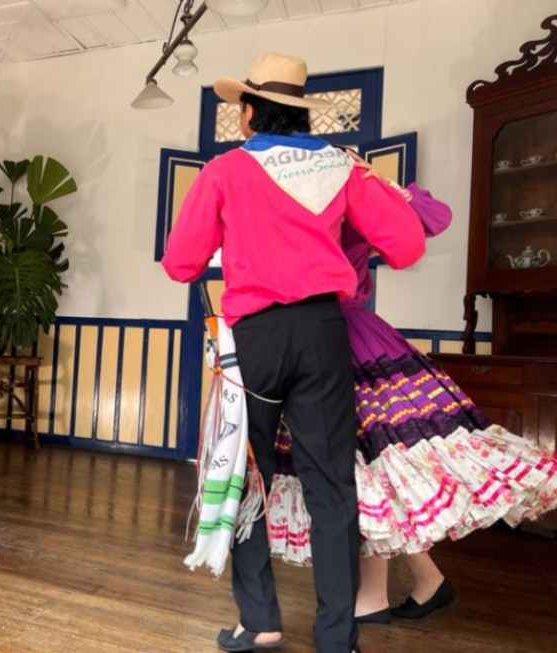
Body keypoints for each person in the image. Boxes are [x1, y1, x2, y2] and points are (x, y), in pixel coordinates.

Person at [162, 52, 426, 653]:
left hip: (255, 339)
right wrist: (370, 182)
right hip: (323, 331)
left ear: (251, 112)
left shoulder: (225, 169)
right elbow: (407, 246)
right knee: (331, 485)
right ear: (300, 114)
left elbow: (180, 263)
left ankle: (260, 620)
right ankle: (337, 638)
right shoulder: (342, 166)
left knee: (245, 475)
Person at [267, 162, 557, 624]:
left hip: (346, 335)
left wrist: (381, 181)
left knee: (368, 464)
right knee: (370, 467)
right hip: (318, 336)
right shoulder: (292, 204)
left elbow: (435, 217)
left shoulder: (350, 198)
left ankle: (377, 596)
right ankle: (428, 583)